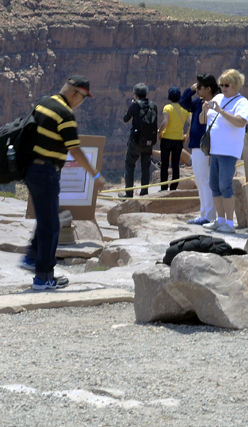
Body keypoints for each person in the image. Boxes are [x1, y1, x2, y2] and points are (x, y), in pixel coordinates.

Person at [21, 75, 106, 290]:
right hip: (47, 171)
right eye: (84, 98)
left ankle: (32, 257)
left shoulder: (44, 103)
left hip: (30, 168)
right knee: (52, 225)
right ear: (76, 93)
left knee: (44, 217)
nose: (82, 103)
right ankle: (44, 277)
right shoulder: (65, 114)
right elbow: (75, 149)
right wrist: (95, 175)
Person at [202, 69, 248, 234]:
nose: (223, 88)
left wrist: (221, 112)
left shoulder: (242, 102)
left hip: (229, 151)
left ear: (235, 85)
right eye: (221, 85)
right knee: (214, 185)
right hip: (215, 150)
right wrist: (203, 110)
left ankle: (230, 223)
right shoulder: (217, 98)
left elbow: (241, 122)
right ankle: (220, 219)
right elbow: (204, 120)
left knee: (225, 185)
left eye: (227, 85)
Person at [180, 74, 220, 225]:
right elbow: (183, 102)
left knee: (206, 180)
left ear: (208, 89)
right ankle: (204, 213)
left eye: (200, 87)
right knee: (199, 180)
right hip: (196, 145)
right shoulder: (197, 102)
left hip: (206, 147)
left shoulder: (213, 103)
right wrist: (190, 90)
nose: (197, 89)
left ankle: (209, 215)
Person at [122, 83, 157, 197]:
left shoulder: (135, 105)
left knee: (130, 165)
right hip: (149, 142)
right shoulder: (153, 105)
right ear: (146, 94)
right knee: (145, 167)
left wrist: (132, 105)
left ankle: (129, 194)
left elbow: (125, 119)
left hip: (136, 141)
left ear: (135, 94)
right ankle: (144, 193)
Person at [158, 86, 189, 192]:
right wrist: (186, 135)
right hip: (179, 139)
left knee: (164, 164)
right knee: (175, 165)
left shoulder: (167, 107)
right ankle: (173, 188)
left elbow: (165, 122)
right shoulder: (185, 109)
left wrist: (160, 132)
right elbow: (191, 123)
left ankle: (163, 188)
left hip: (166, 139)